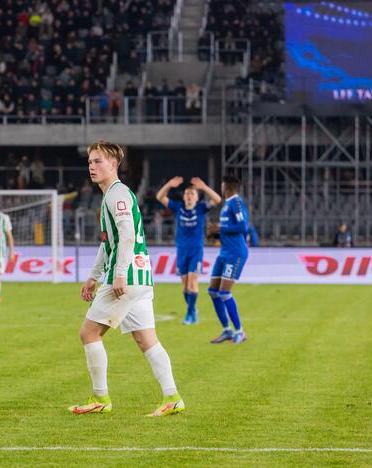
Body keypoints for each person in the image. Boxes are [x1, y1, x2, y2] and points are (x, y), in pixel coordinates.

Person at [69, 140, 184, 417]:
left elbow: (129, 236)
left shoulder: (117, 195)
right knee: (147, 340)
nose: (92, 167)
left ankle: (100, 398)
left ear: (113, 164)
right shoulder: (111, 194)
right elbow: (109, 241)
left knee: (89, 333)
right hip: (141, 276)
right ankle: (173, 397)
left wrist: (118, 274)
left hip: (127, 276)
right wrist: (93, 277)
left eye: (98, 161)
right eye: (89, 162)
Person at [156, 176, 221, 324]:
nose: (189, 196)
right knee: (185, 285)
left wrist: (204, 187)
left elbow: (217, 199)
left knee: (192, 280)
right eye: (187, 194)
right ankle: (192, 310)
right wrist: (169, 184)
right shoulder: (178, 207)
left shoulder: (201, 208)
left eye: (192, 194)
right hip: (182, 250)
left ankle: (190, 313)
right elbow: (160, 197)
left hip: (196, 249)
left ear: (197, 198)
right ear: (184, 197)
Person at [208, 175, 249, 344]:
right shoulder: (227, 206)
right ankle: (227, 330)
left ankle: (240, 332)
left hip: (235, 253)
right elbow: (228, 229)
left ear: (228, 188)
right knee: (213, 291)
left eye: (223, 186)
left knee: (224, 292)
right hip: (224, 252)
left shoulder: (236, 203)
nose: (221, 188)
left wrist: (220, 227)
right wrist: (215, 233)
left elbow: (242, 226)